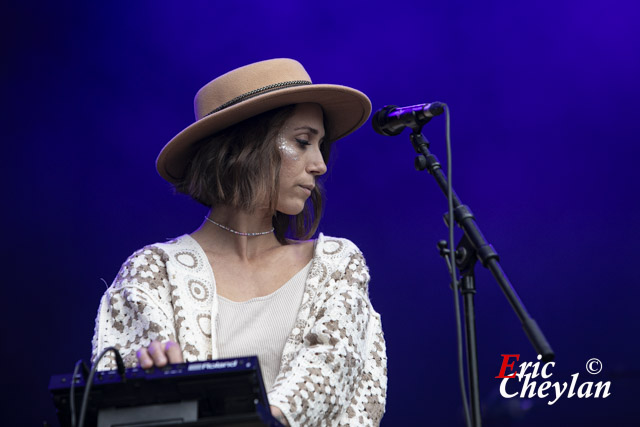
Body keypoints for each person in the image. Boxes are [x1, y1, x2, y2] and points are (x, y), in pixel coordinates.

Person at [91, 58, 387, 426]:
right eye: (302, 142)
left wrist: (230, 412)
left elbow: (328, 371)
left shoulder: (336, 265)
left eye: (320, 146)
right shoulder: (153, 273)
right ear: (246, 145)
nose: (319, 164)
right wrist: (158, 390)